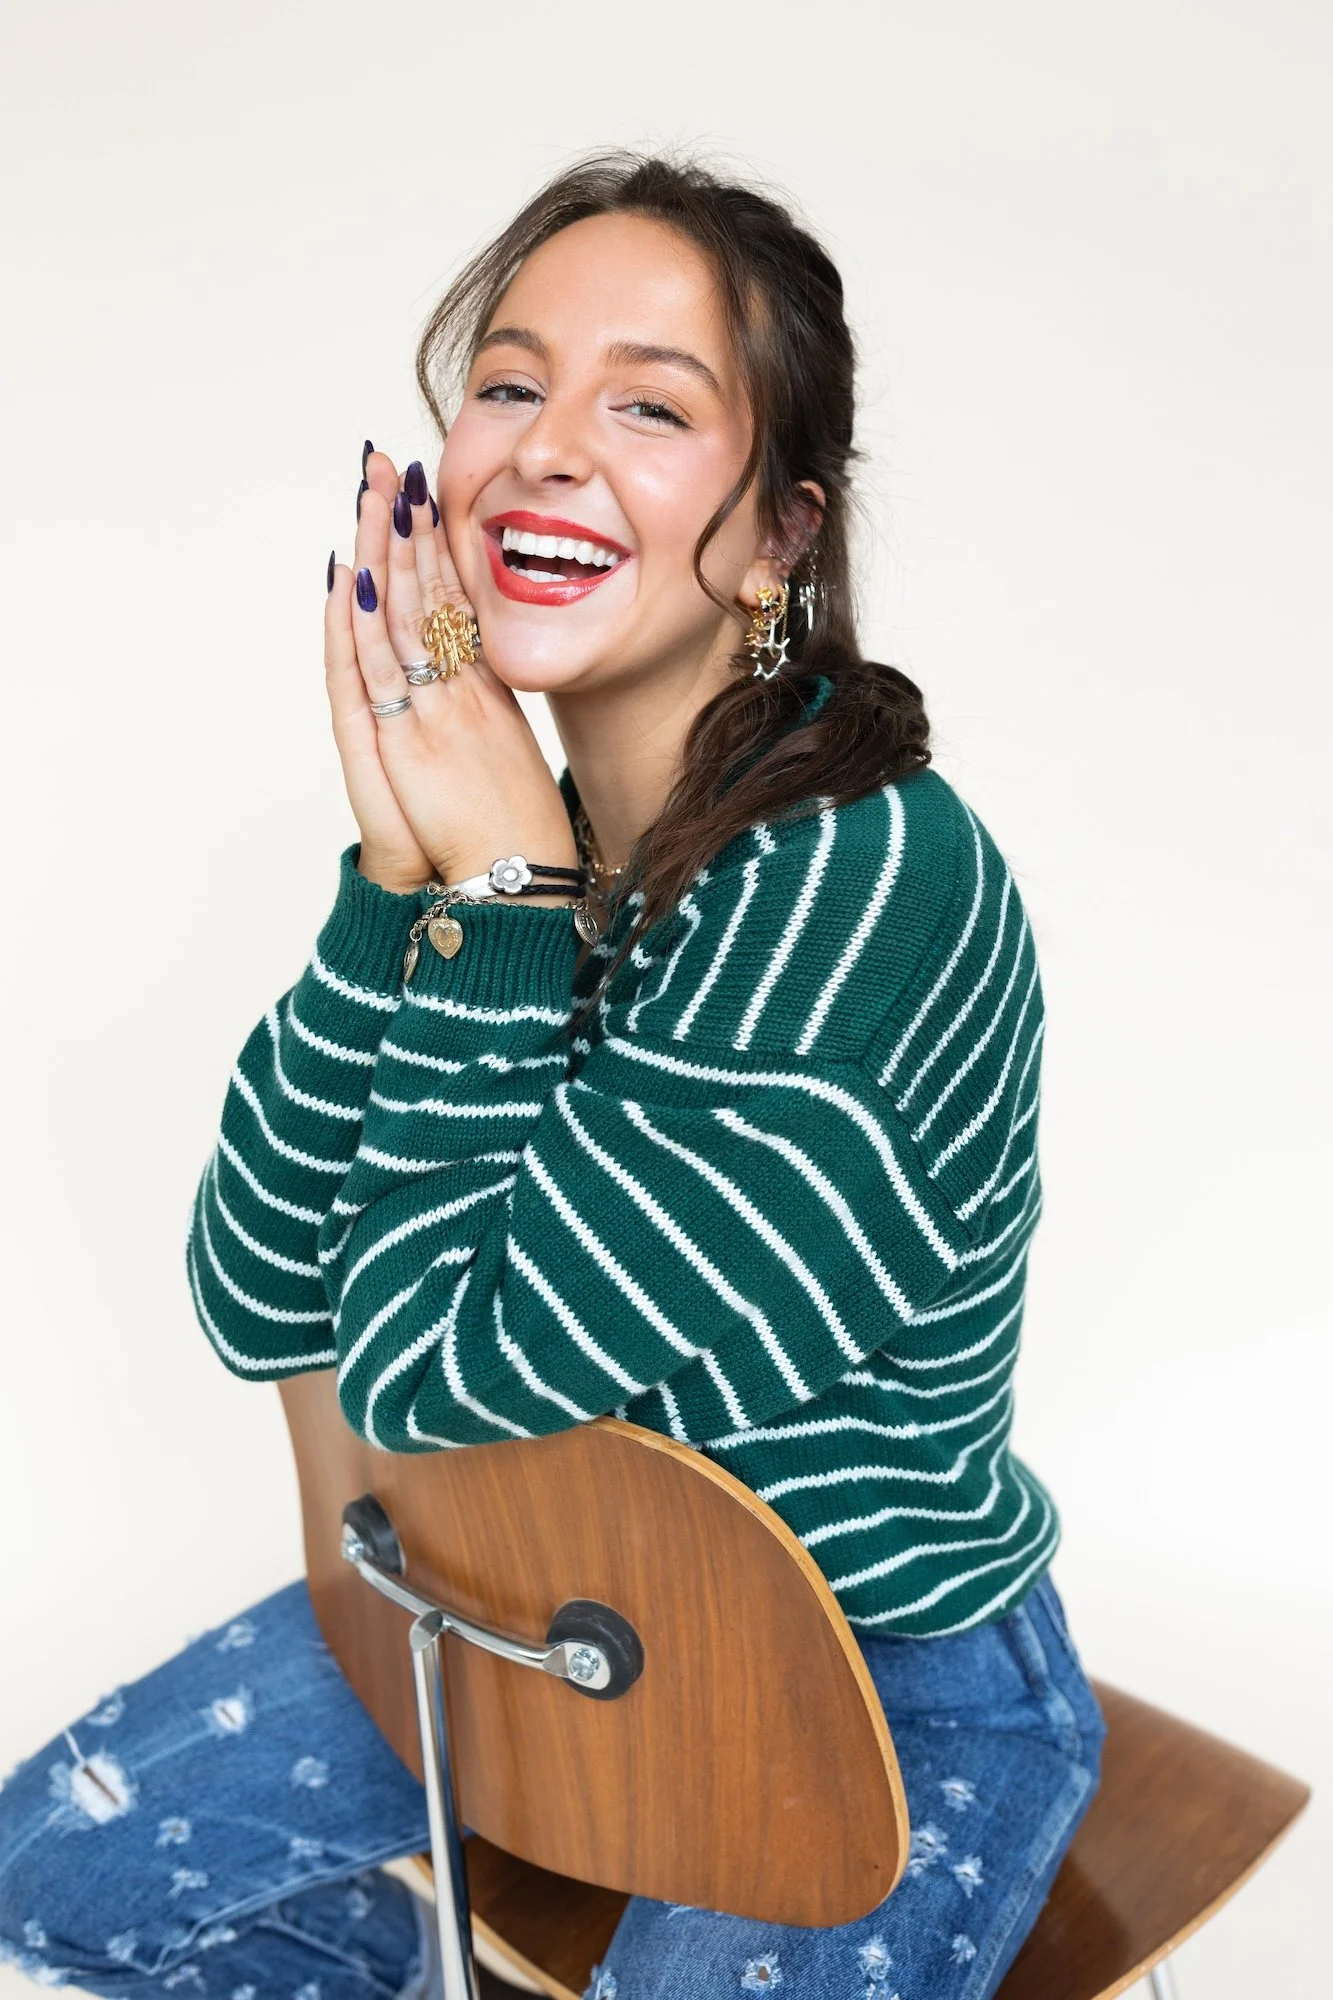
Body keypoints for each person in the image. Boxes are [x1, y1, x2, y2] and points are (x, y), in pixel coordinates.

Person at [0, 152, 1105, 2000]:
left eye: (652, 406)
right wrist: (402, 887)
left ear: (778, 539)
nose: (546, 446)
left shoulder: (861, 886)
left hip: (856, 1683)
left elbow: (431, 1383)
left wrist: (498, 896)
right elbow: (260, 1287)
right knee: (56, 1872)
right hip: (528, 1610)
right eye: (509, 383)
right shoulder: (546, 839)